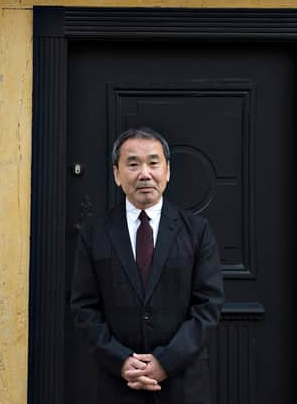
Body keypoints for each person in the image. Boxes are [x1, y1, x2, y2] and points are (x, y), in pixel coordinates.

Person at [70, 127, 224, 403]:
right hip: (116, 385)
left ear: (167, 171)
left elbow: (208, 305)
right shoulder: (94, 233)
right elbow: (84, 307)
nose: (144, 174)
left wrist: (165, 362)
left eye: (153, 163)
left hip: (183, 384)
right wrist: (121, 361)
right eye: (132, 164)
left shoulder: (197, 231)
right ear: (117, 174)